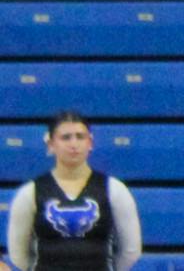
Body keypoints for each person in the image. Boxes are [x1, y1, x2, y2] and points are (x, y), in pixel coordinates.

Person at [6, 113, 141, 271]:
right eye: (65, 137)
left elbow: (131, 251)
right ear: (50, 144)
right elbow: (18, 254)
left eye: (80, 137)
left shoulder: (115, 190)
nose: (74, 144)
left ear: (90, 143)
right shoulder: (30, 192)